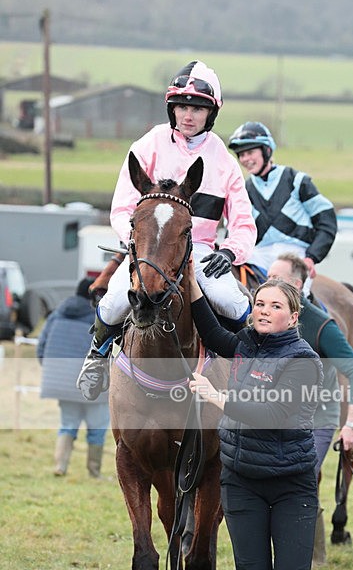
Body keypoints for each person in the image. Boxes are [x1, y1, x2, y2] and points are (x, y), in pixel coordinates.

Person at [77, 60, 257, 401]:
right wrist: (135, 241)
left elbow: (245, 224)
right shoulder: (148, 144)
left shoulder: (223, 159)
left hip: (200, 248)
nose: (188, 115)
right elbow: (121, 208)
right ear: (171, 109)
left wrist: (231, 252)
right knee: (115, 301)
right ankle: (97, 357)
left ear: (211, 113)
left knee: (233, 303)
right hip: (146, 247)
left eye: (198, 108)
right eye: (182, 107)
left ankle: (241, 366)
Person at [187, 266, 325, 570]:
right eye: (260, 304)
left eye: (275, 305)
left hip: (291, 485)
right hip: (241, 480)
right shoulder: (245, 344)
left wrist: (218, 397)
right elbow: (208, 326)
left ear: (293, 315)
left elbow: (273, 415)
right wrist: (189, 276)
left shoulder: (304, 360)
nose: (265, 311)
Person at [267, 252, 353, 565]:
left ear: (297, 285)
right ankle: (307, 554)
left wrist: (351, 422)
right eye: (267, 278)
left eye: (277, 280)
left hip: (316, 420)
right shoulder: (262, 318)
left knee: (298, 480)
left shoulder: (322, 325)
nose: (268, 284)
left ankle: (309, 557)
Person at [228, 121, 337, 292]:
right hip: (257, 257)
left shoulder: (296, 180)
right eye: (241, 155)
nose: (245, 159)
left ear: (267, 150)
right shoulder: (243, 189)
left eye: (250, 152)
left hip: (295, 256)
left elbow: (327, 221)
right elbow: (234, 231)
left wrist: (311, 257)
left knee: (292, 296)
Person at [37, 278, 110, 477]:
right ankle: (94, 472)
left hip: (63, 383)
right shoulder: (100, 316)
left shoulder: (57, 313)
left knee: (67, 425)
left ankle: (60, 467)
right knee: (97, 427)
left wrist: (53, 370)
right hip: (91, 384)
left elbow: (41, 346)